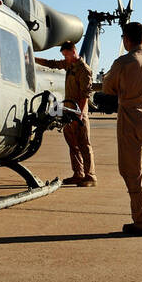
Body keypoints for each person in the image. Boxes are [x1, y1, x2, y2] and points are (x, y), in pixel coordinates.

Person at [102, 21, 142, 235]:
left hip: (132, 117)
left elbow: (108, 88)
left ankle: (141, 221)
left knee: (133, 172)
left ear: (126, 39)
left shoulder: (124, 62)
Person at [35, 41, 96, 186]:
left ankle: (91, 176)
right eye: (64, 56)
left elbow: (85, 95)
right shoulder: (69, 64)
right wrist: (33, 58)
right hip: (68, 112)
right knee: (73, 145)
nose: (65, 58)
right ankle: (78, 173)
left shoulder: (83, 69)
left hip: (78, 113)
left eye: (66, 55)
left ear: (74, 51)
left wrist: (79, 114)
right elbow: (52, 64)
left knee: (84, 145)